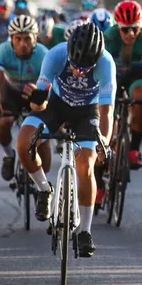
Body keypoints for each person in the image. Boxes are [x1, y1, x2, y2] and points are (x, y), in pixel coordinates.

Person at [16, 22, 115, 258]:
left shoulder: (106, 63)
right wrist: (36, 101)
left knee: (86, 165)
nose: (80, 72)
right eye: (76, 65)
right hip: (56, 106)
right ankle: (43, 188)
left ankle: (85, 231)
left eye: (86, 67)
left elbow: (107, 110)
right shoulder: (56, 54)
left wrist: (105, 143)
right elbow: (39, 101)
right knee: (23, 143)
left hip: (88, 112)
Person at [0, 15, 50, 182]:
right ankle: (8, 155)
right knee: (4, 121)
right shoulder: (2, 50)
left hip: (35, 93)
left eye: (28, 39)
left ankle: (41, 180)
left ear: (35, 39)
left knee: (44, 137)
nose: (23, 44)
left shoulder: (44, 54)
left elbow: (53, 87)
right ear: (11, 39)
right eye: (18, 39)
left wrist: (46, 105)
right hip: (11, 92)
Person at [103, 0, 142, 169]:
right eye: (125, 29)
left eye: (135, 28)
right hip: (113, 75)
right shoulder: (109, 37)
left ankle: (134, 148)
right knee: (106, 112)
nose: (130, 34)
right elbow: (101, 75)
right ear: (117, 27)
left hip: (138, 76)